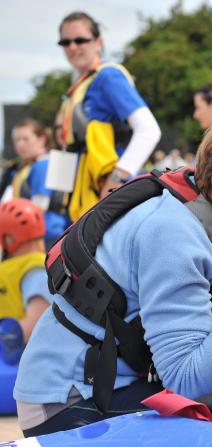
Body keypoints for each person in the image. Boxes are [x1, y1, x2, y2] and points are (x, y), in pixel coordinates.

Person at [14, 94, 212, 436]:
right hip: (70, 402)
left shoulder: (209, 212)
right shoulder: (174, 233)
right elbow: (186, 380)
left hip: (119, 384)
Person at [54, 11, 161, 222]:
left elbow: (149, 130)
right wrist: (55, 204)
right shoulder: (77, 88)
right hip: (81, 200)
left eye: (80, 40)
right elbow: (70, 148)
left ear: (98, 42)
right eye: (65, 42)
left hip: (109, 198)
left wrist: (117, 180)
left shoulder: (108, 76)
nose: (72, 47)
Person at [0, 199, 52, 363]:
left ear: (8, 238)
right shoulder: (20, 267)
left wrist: (7, 338)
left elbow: (36, 320)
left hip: (22, 362)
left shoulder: (35, 269)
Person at [10, 118, 70, 249]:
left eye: (25, 139)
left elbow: (39, 207)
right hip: (52, 235)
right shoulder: (32, 165)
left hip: (45, 238)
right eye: (17, 140)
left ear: (41, 139)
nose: (20, 144)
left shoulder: (42, 165)